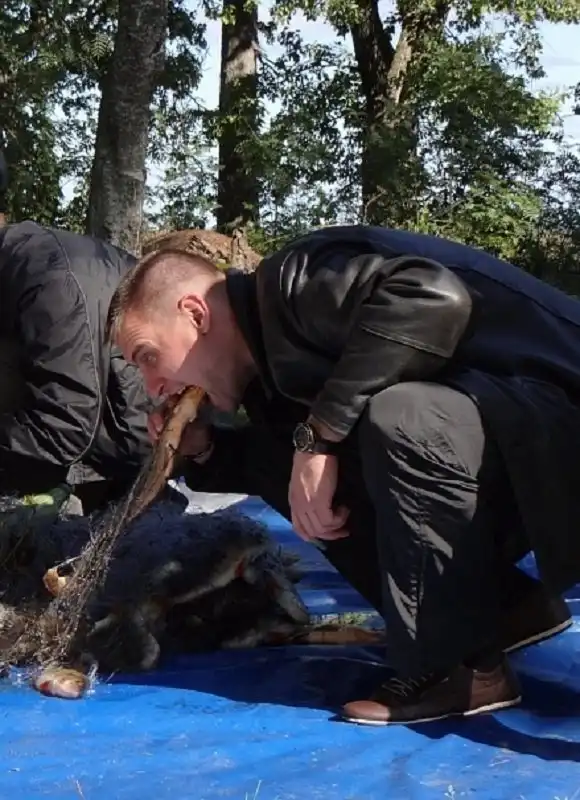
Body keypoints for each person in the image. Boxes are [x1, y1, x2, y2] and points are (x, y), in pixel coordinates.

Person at [105, 224, 580, 726]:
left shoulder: (299, 281)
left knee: (402, 416)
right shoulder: (266, 369)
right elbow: (278, 460)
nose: (154, 386)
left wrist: (319, 437)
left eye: (149, 357)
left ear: (196, 314)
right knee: (293, 465)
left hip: (559, 413)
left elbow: (437, 299)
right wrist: (205, 448)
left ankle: (459, 667)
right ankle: (506, 610)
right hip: (511, 437)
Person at [0, 219, 152, 514]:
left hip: (132, 444)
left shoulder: (48, 279)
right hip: (103, 430)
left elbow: (66, 426)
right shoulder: (23, 263)